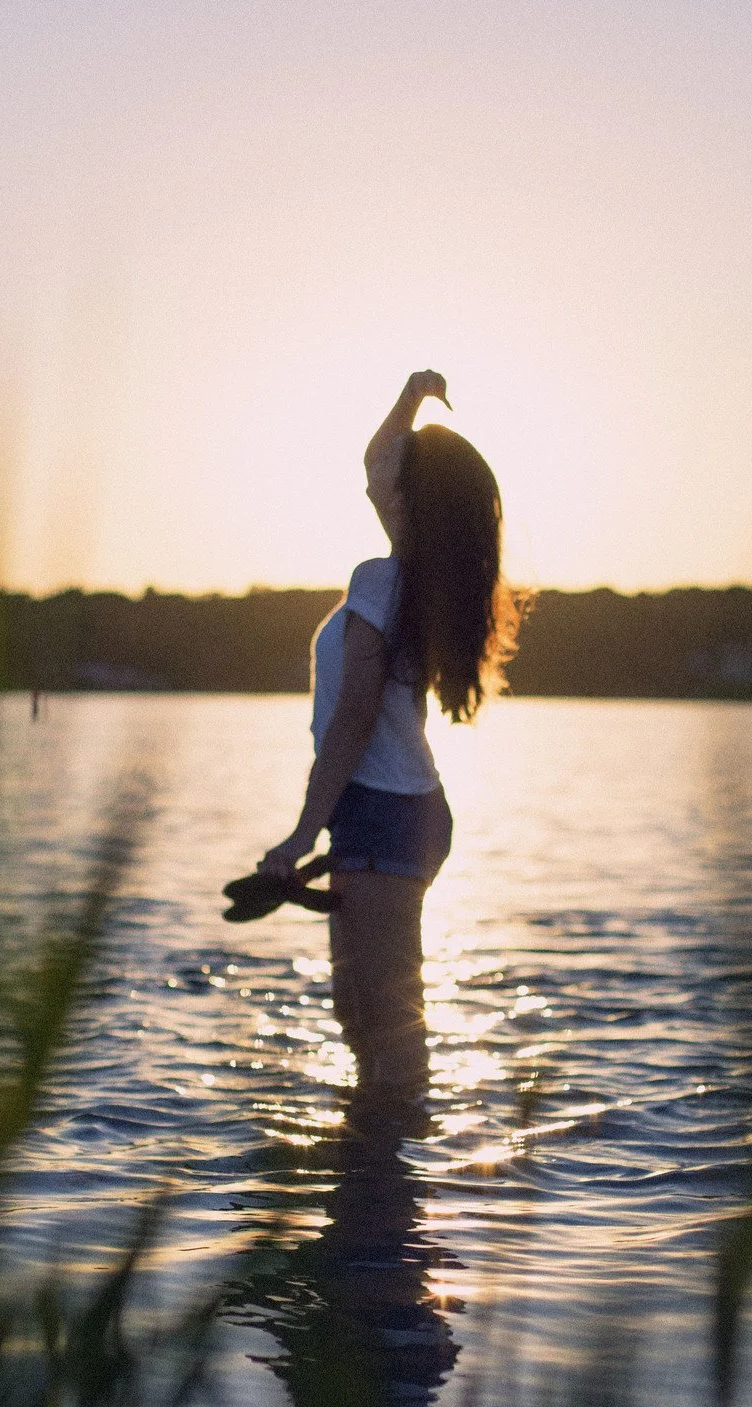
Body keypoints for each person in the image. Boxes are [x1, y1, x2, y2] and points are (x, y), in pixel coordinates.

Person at [257, 370, 525, 1089]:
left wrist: (300, 834)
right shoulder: (415, 581)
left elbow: (352, 722)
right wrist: (412, 395)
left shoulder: (381, 582)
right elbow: (378, 459)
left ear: (407, 498)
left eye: (393, 476)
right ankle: (374, 1167)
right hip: (394, 811)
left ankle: (400, 1172)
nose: (376, 480)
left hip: (383, 812)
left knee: (389, 1022)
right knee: (358, 1017)